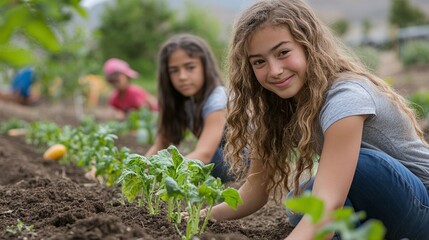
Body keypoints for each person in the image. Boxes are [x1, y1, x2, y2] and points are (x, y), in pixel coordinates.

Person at [203, 0, 429, 239]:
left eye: (283, 53)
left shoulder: (345, 98)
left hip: (421, 204)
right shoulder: (276, 109)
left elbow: (328, 204)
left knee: (358, 169)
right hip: (388, 207)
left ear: (308, 45)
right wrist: (207, 216)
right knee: (301, 200)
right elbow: (255, 191)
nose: (274, 70)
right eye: (259, 61)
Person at [145, 33, 234, 183]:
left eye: (190, 67)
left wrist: (164, 172)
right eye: (174, 71)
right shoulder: (183, 101)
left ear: (205, 67)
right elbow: (160, 144)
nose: (182, 76)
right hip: (214, 161)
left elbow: (205, 154)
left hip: (236, 164)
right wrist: (138, 170)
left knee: (206, 157)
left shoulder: (217, 99)